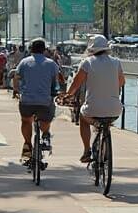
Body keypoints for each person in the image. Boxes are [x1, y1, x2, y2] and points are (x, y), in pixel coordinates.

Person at [62, 35, 123, 163]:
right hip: (115, 109)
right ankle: (105, 140)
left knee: (83, 119)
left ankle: (86, 150)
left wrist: (68, 95)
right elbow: (122, 81)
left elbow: (76, 83)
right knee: (107, 120)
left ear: (92, 49)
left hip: (93, 107)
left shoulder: (88, 62)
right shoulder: (116, 62)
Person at [12, 39, 59, 161]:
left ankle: (27, 143)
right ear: (44, 50)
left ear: (31, 49)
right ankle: (45, 135)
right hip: (45, 101)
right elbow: (57, 81)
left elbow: (16, 78)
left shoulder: (24, 62)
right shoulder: (51, 64)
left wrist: (16, 91)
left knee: (26, 121)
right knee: (46, 118)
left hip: (27, 101)